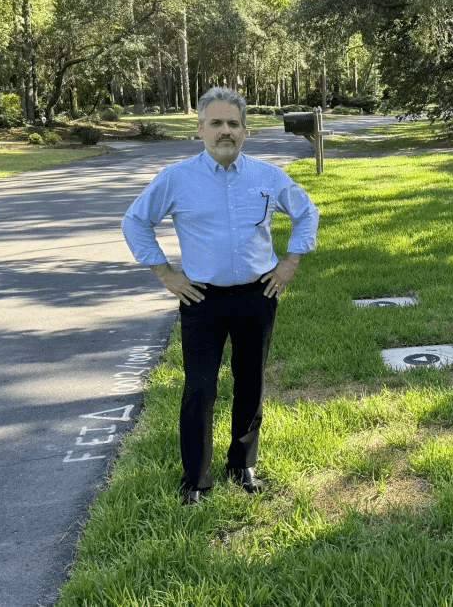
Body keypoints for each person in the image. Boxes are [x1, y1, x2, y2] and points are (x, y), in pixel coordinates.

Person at [121, 87, 319, 505]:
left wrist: (289, 265)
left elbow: (306, 213)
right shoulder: (176, 178)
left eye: (233, 124)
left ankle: (242, 464)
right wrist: (166, 275)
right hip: (201, 301)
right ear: (200, 130)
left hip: (257, 296)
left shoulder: (267, 176)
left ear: (245, 131)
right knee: (199, 389)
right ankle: (196, 479)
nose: (225, 131)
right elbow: (135, 221)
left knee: (251, 382)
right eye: (216, 123)